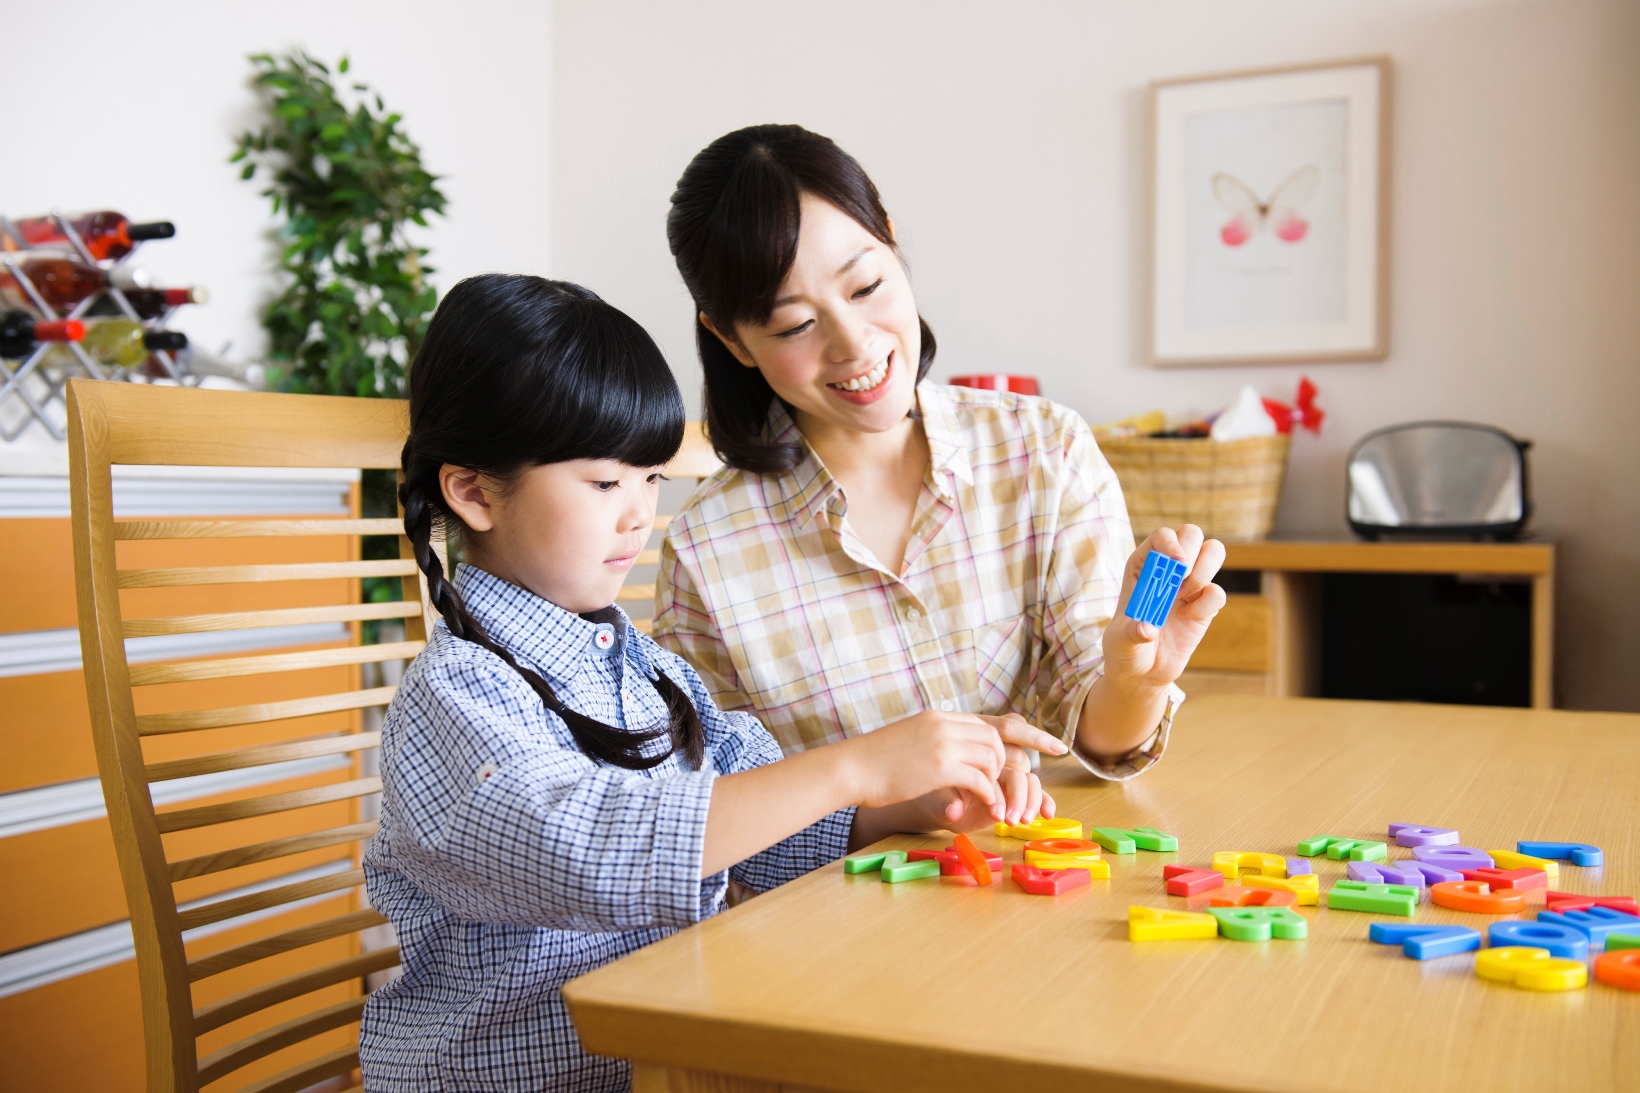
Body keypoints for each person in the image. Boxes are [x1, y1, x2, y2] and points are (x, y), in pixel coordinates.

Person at [359, 273, 1065, 1091]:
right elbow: (594, 850)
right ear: (473, 491)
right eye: (603, 483)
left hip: (672, 1061)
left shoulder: (649, 668)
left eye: (651, 478)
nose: (638, 514)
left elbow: (766, 820)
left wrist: (911, 803)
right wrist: (855, 763)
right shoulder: (456, 696)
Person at [656, 125, 1226, 797]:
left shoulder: (1046, 452)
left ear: (892, 241)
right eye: (794, 325)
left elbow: (1103, 742)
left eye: (866, 286)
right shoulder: (707, 549)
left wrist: (1134, 682)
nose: (854, 343)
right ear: (732, 340)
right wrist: (886, 798)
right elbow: (712, 808)